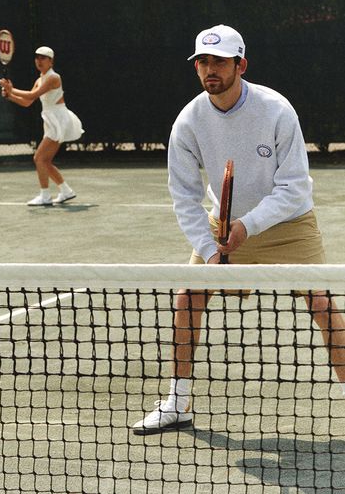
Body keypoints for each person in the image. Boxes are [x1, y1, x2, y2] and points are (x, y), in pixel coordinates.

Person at [132, 24, 345, 434]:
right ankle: (177, 403)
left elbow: (295, 186)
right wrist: (210, 249)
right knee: (187, 298)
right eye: (203, 62)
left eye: (219, 62)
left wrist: (249, 225)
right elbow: (185, 196)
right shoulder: (188, 121)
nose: (209, 69)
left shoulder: (276, 110)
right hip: (223, 224)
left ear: (240, 65)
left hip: (290, 224)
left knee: (321, 303)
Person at [0, 45, 83, 206]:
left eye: (43, 58)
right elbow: (27, 102)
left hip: (58, 118)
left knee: (39, 158)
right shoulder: (39, 80)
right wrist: (10, 95)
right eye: (37, 57)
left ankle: (45, 196)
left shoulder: (53, 77)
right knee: (45, 160)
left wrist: (11, 88)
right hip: (51, 119)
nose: (39, 60)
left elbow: (32, 95)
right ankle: (66, 191)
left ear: (51, 62)